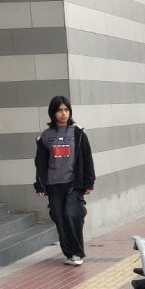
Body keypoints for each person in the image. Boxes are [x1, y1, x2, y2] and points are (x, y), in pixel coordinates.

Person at [33, 95, 95, 266]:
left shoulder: (78, 133)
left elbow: (87, 157)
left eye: (66, 110)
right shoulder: (46, 136)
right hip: (54, 184)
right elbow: (40, 163)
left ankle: (77, 252)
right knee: (59, 217)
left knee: (72, 214)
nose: (63, 113)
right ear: (53, 113)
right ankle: (69, 253)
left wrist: (89, 182)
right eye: (59, 110)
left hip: (73, 184)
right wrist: (40, 185)